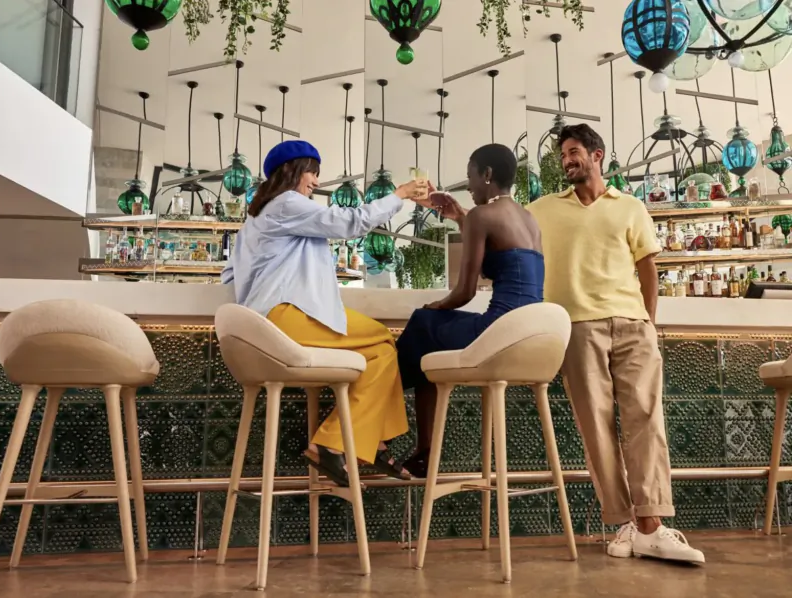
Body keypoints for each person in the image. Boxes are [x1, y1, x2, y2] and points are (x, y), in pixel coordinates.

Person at [526, 124, 704, 564]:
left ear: (597, 155)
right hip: (577, 329)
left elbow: (648, 269)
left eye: (573, 152)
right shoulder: (541, 209)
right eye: (562, 155)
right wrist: (458, 216)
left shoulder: (630, 207)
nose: (566, 160)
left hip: (633, 325)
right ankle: (628, 521)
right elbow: (503, 232)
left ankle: (651, 523)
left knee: (646, 419)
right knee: (597, 427)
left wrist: (647, 322)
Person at [222, 139, 429, 487]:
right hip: (285, 317)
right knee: (381, 335)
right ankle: (331, 442)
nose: (316, 181)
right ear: (291, 172)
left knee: (381, 354)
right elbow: (351, 222)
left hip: (267, 324)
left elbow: (229, 276)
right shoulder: (287, 203)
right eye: (312, 172)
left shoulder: (255, 220)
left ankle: (373, 441)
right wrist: (400, 194)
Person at [396, 143, 544, 478]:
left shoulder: (482, 216)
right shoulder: (529, 219)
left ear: (487, 175)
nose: (469, 187)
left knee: (422, 324)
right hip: (530, 336)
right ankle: (418, 450)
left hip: (498, 334)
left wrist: (433, 307)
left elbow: (463, 293)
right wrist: (460, 216)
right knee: (425, 346)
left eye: (470, 178)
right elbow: (497, 266)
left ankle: (382, 428)